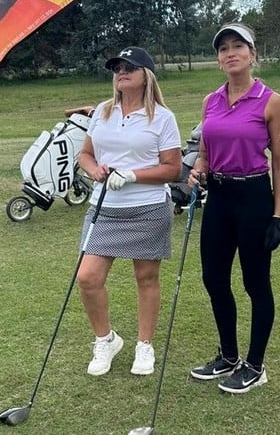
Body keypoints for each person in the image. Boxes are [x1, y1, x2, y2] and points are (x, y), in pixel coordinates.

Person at [187, 23, 280, 394]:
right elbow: (204, 150)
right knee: (214, 279)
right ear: (218, 59)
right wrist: (199, 168)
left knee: (255, 283)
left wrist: (277, 216)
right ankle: (228, 356)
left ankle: (255, 365)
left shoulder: (272, 101)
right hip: (219, 198)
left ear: (252, 54)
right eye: (224, 48)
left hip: (255, 198)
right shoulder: (210, 101)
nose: (230, 53)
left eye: (238, 46)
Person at [76, 46, 182, 377]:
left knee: (146, 277)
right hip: (104, 208)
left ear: (146, 76)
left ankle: (144, 345)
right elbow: (85, 154)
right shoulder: (103, 112)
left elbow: (173, 169)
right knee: (87, 277)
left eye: (130, 67)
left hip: (147, 208)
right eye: (118, 67)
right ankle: (106, 340)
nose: (121, 71)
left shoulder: (162, 118)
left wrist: (133, 175)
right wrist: (94, 170)